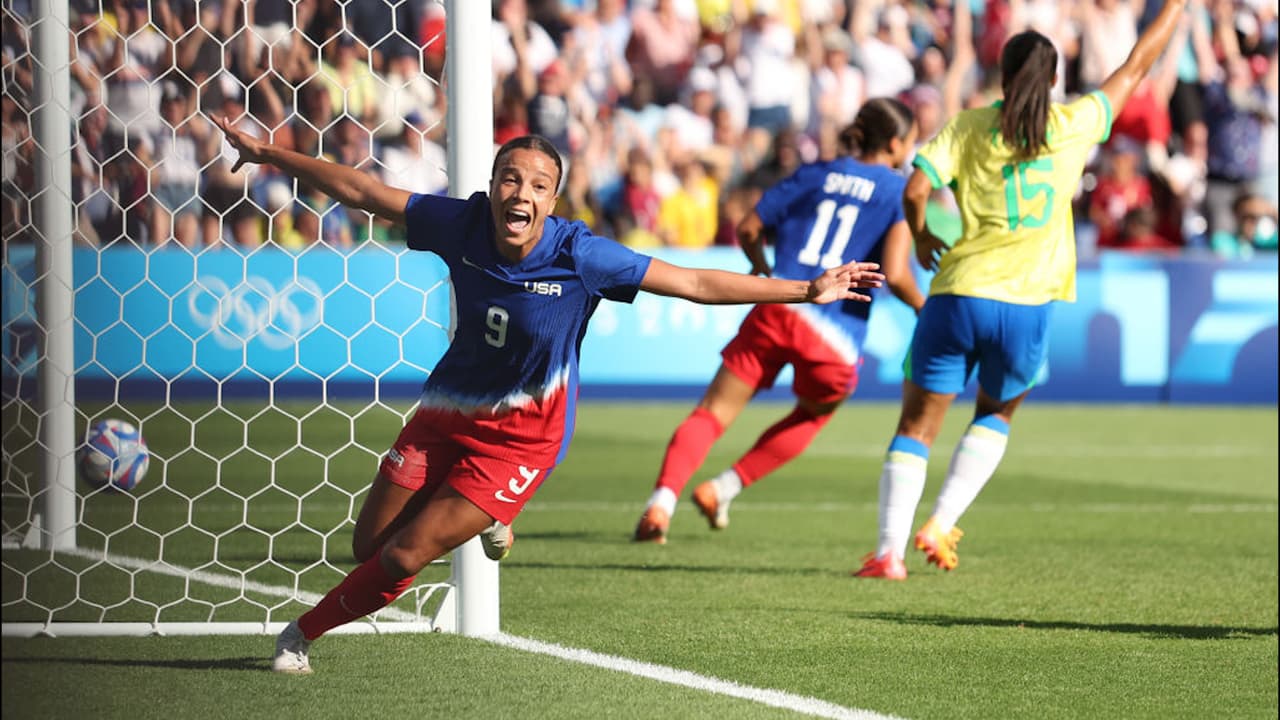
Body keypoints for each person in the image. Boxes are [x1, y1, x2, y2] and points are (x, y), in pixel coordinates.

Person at [211, 125, 885, 674]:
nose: (521, 193)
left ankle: (300, 634)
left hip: (521, 443)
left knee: (405, 557)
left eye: (538, 185)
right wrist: (271, 155)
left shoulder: (581, 255)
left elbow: (696, 284)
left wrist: (805, 290)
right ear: (491, 187)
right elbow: (363, 191)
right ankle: (490, 520)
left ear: (554, 200)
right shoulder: (461, 223)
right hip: (446, 414)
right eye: (510, 179)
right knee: (369, 548)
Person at [853, 0, 1193, 580]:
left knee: (916, 428)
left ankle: (889, 554)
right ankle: (942, 522)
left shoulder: (968, 126)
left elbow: (914, 190)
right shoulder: (1072, 125)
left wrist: (922, 234)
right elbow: (1137, 64)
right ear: (1054, 80)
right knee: (996, 414)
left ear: (1003, 76)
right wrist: (1177, 6)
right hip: (1028, 303)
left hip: (958, 293)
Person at [633, 98, 925, 545]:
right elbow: (898, 273)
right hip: (836, 333)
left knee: (712, 412)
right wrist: (924, 307)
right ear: (894, 143)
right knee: (812, 415)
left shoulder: (816, 172)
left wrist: (760, 267)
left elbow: (749, 228)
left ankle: (661, 502)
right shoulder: (896, 192)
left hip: (780, 304)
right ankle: (722, 488)